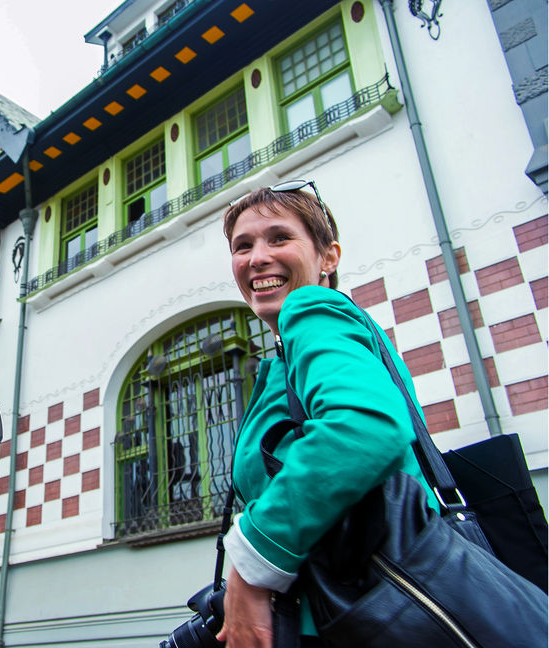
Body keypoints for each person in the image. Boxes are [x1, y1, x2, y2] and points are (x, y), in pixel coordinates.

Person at [214, 182, 440, 647]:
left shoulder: (312, 310)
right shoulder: (287, 356)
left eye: (279, 238)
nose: (257, 257)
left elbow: (364, 428)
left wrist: (253, 558)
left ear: (328, 257)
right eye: (243, 246)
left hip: (374, 610)